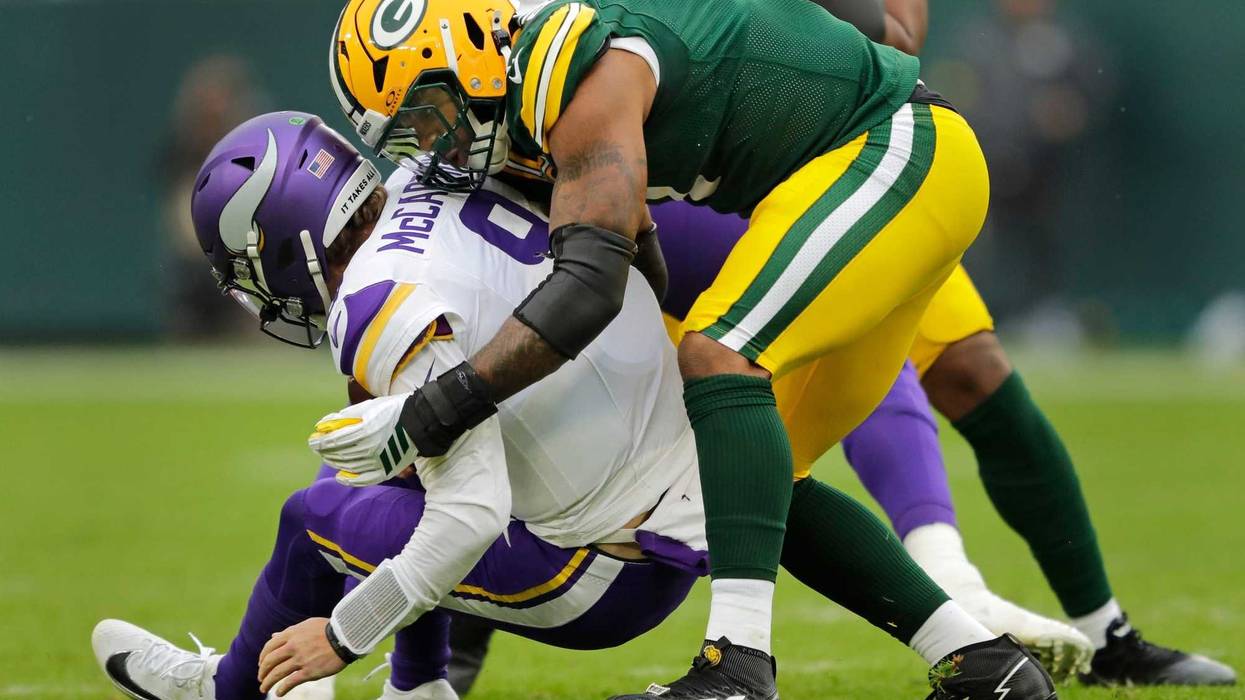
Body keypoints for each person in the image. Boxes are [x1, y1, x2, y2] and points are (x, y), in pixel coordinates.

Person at [91, 113, 1052, 700]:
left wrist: (342, 634)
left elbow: (460, 517)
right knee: (775, 492)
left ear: (286, 245)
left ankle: (229, 690)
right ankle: (978, 658)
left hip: (598, 571)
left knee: (312, 515)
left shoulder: (375, 306)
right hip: (684, 458)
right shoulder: (445, 173)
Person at [319, 1, 1017, 697]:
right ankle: (982, 663)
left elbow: (590, 283)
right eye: (407, 135)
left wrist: (437, 407)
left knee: (719, 358)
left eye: (428, 112)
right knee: (749, 470)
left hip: (894, 150)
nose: (432, 145)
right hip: (868, 168)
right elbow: (636, 244)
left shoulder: (571, 68)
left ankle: (736, 667)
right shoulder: (536, 94)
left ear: (470, 51)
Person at [802, 0, 1235, 686]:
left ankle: (1107, 638)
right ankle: (734, 651)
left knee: (972, 369)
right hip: (728, 174)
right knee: (737, 415)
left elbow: (899, 36)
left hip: (845, 164)